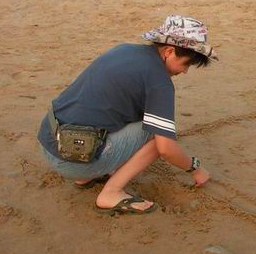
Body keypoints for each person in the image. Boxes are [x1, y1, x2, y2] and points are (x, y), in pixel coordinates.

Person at [36, 15, 217, 215]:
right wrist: (195, 168)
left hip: (50, 143)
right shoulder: (159, 82)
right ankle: (110, 193)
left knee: (137, 116)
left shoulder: (124, 50)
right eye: (186, 64)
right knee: (157, 135)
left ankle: (86, 177)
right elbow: (165, 148)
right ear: (169, 52)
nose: (185, 72)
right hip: (72, 162)